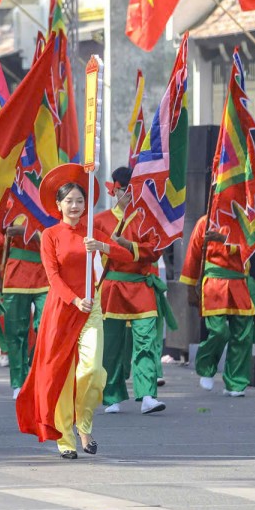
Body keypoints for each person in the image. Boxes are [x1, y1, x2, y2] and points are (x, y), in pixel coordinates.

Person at [15, 163, 133, 459]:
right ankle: (66, 439)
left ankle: (84, 422)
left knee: (91, 369)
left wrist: (102, 247)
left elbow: (126, 256)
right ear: (58, 205)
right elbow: (52, 276)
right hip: (61, 308)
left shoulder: (93, 231)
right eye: (69, 201)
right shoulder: (50, 235)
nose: (75, 206)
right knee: (61, 375)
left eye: (80, 200)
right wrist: (73, 300)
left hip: (91, 307)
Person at [95, 167, 171, 415]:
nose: (128, 195)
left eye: (133, 190)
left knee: (146, 341)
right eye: (124, 189)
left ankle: (147, 394)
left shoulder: (149, 219)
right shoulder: (101, 220)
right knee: (112, 345)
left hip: (141, 285)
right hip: (113, 287)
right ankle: (112, 395)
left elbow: (155, 248)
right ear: (114, 190)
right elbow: (90, 255)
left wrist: (130, 246)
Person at [181, 210, 255, 398]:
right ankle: (206, 367)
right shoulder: (205, 222)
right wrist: (189, 288)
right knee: (219, 331)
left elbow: (253, 247)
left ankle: (235, 382)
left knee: (242, 334)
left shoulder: (246, 222)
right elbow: (192, 256)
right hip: (214, 283)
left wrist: (223, 238)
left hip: (239, 280)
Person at [0, 198, 48, 399]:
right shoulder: (9, 205)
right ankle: (18, 381)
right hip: (16, 272)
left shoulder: (51, 205)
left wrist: (28, 232)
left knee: (46, 326)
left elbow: (56, 236)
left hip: (45, 272)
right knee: (15, 330)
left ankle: (38, 372)